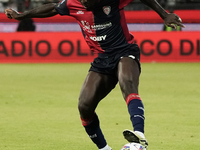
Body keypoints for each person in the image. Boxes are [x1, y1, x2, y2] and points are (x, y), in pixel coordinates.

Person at [5, 0, 184, 150]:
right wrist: (23, 15)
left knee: (126, 81)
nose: (83, 2)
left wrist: (164, 14)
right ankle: (104, 148)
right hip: (102, 59)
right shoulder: (74, 3)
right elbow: (52, 8)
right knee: (84, 105)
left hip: (124, 50)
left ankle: (140, 137)